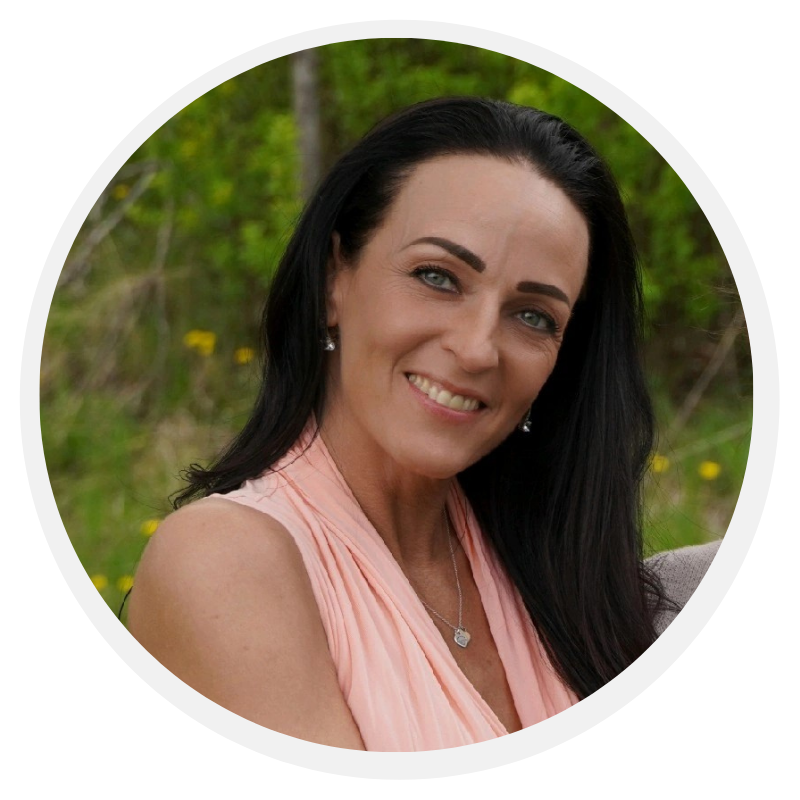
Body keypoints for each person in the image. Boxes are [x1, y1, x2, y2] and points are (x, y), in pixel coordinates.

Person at [128, 96, 719, 751]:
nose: (476, 348)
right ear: (333, 280)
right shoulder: (221, 559)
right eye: (437, 276)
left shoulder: (560, 576)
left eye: (533, 316)